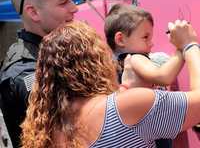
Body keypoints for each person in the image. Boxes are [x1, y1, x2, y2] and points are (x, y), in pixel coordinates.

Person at [21, 20, 200, 148]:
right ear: (97, 62)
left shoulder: (48, 130)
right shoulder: (126, 106)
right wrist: (189, 45)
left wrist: (124, 90)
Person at [0, 0, 78, 148]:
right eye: (64, 2)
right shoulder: (24, 71)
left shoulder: (59, 51)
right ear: (33, 12)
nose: (74, 8)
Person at [104, 3, 184, 89]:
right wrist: (182, 48)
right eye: (145, 37)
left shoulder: (112, 66)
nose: (151, 44)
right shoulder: (135, 58)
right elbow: (163, 77)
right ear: (120, 40)